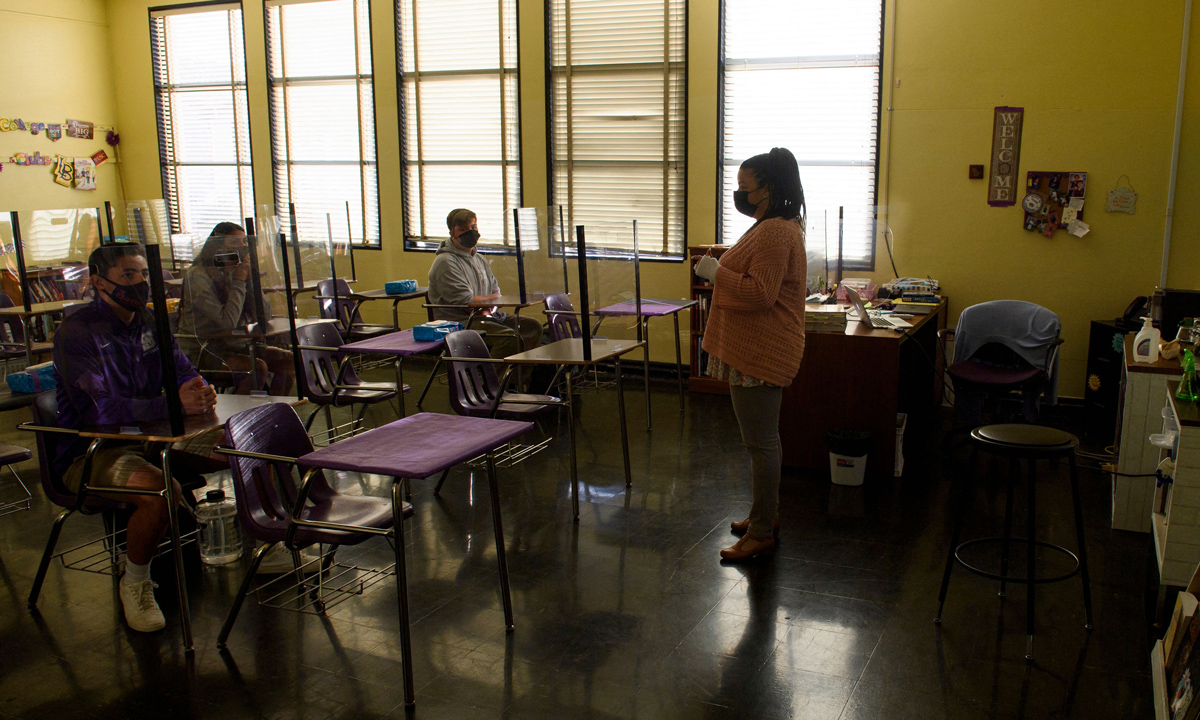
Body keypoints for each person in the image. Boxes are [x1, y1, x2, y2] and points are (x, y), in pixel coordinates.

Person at [53, 243, 222, 632]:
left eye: (144, 274)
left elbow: (181, 371)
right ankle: (135, 583)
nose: (140, 283)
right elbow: (99, 410)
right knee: (158, 490)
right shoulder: (77, 332)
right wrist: (171, 405)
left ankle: (274, 540)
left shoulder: (148, 321)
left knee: (241, 450)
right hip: (91, 451)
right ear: (99, 282)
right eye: (129, 275)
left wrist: (198, 389)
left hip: (153, 439)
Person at [694, 147, 807, 562]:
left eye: (745, 187)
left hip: (763, 351)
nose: (739, 194)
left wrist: (715, 272)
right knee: (762, 442)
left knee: (760, 444)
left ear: (769, 188)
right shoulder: (772, 225)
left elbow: (760, 293)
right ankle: (765, 515)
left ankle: (761, 532)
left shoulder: (777, 230)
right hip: (758, 349)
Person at [177, 222, 294, 395]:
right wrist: (239, 281)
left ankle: (271, 412)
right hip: (205, 349)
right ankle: (241, 419)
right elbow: (227, 322)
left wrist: (251, 280)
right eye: (234, 243)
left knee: (290, 361)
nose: (242, 247)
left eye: (244, 242)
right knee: (256, 369)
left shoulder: (236, 270)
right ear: (217, 247)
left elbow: (265, 315)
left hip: (237, 345)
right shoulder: (198, 275)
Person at [427, 208, 542, 364]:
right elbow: (466, 301)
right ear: (452, 233)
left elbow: (497, 293)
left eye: (473, 227)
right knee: (507, 337)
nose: (470, 232)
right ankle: (495, 384)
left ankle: (521, 380)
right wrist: (485, 303)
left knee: (532, 327)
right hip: (461, 322)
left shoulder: (479, 259)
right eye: (463, 229)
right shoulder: (446, 262)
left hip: (486, 315)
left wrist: (486, 306)